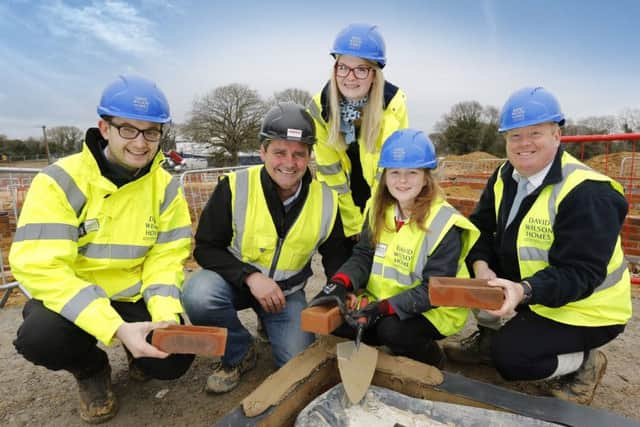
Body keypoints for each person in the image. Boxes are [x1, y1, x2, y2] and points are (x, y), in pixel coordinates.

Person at [10, 75, 195, 424]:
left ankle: (137, 351)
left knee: (173, 358)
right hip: (76, 303)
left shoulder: (166, 188)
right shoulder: (59, 181)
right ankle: (91, 367)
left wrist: (164, 317)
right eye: (128, 129)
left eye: (151, 132)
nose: (141, 143)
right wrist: (114, 327)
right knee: (40, 338)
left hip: (132, 297)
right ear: (104, 127)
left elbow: (166, 258)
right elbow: (42, 267)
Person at [444, 87, 631, 405]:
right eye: (515, 135)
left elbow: (579, 274)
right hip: (538, 292)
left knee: (513, 359)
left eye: (535, 133)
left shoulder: (588, 193)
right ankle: (489, 337)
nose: (524, 143)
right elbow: (481, 229)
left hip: (586, 309)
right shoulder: (505, 175)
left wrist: (522, 291)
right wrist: (480, 266)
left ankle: (584, 364)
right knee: (462, 258)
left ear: (557, 135)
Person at [181, 102, 350, 393]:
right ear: (262, 152)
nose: (289, 162)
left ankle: (269, 322)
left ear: (309, 156)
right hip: (234, 283)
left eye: (299, 154)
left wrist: (338, 291)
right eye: (279, 152)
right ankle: (238, 352)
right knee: (198, 293)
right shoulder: (235, 186)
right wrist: (251, 277)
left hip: (284, 295)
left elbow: (335, 255)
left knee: (297, 365)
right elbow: (207, 248)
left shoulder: (326, 200)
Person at [310, 129, 479, 367]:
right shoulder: (378, 209)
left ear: (426, 176)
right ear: (385, 175)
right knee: (344, 324)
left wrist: (382, 309)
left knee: (392, 331)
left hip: (434, 308)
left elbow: (433, 290)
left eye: (412, 173)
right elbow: (363, 256)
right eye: (395, 172)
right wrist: (339, 283)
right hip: (384, 300)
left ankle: (434, 360)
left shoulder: (444, 223)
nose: (402, 180)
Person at [309, 23, 409, 244]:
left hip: (384, 199)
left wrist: (373, 219)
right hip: (340, 202)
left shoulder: (392, 106)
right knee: (341, 265)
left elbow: (390, 169)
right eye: (343, 67)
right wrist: (353, 222)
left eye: (361, 69)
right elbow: (330, 172)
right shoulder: (320, 108)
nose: (350, 77)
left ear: (374, 74)